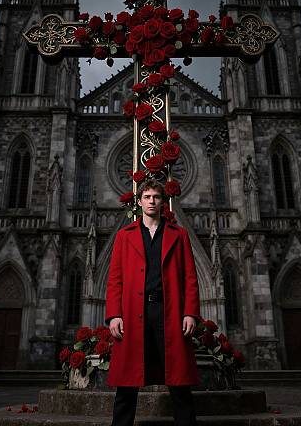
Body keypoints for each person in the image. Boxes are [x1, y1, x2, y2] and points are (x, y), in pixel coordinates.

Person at [105, 179, 200, 426]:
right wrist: (114, 314)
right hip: (135, 313)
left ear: (162, 201)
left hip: (169, 312)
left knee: (179, 383)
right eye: (146, 197)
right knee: (127, 384)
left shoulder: (179, 235)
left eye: (156, 197)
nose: (151, 201)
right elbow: (114, 279)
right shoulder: (124, 237)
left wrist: (190, 312)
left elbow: (190, 277)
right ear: (139, 201)